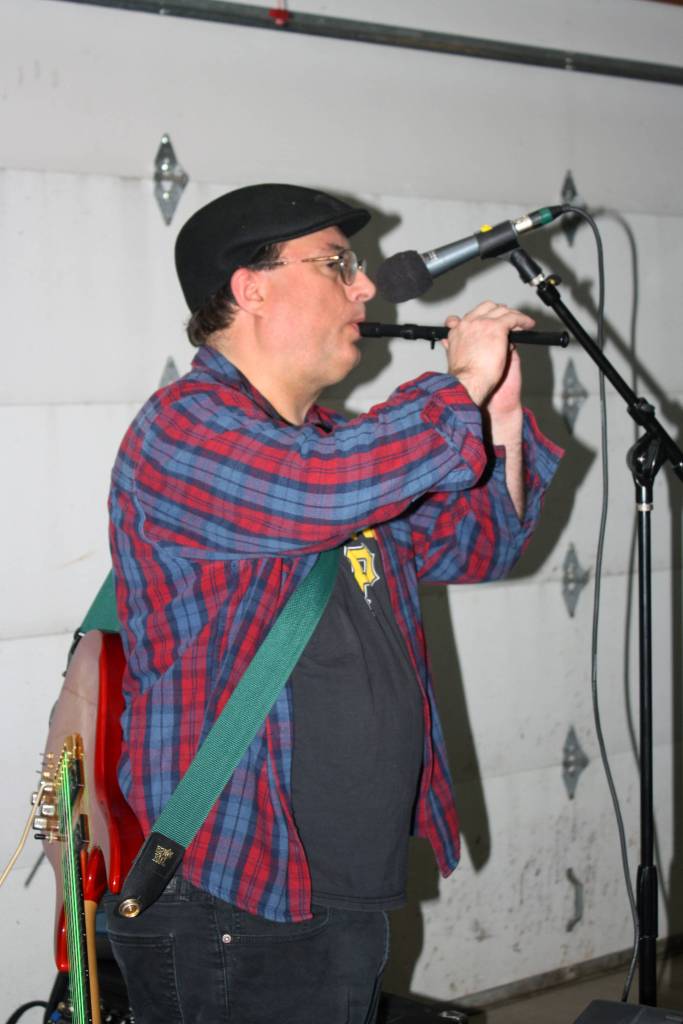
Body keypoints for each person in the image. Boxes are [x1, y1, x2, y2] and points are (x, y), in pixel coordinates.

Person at [105, 183, 562, 1024]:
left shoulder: (335, 447)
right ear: (252, 288)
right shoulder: (186, 428)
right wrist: (454, 386)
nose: (365, 286)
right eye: (338, 265)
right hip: (236, 891)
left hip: (338, 881)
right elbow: (316, 494)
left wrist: (497, 417)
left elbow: (478, 547)